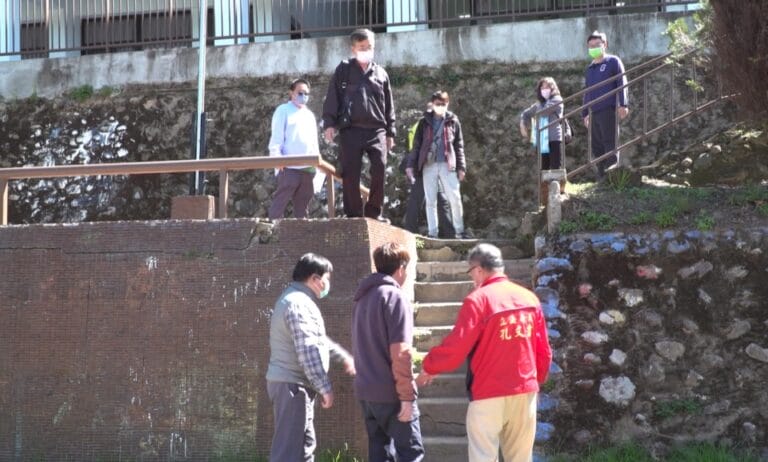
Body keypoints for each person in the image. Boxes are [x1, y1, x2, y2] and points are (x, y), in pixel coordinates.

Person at [416, 244, 552, 462]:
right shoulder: (529, 298)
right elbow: (543, 350)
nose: (472, 278)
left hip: (488, 392)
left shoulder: (478, 300)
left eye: (470, 272)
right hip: (525, 391)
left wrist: (430, 367)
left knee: (483, 456)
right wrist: (537, 383)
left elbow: (457, 346)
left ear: (478, 269)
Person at [266, 253, 356, 462]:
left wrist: (343, 357)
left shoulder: (297, 300)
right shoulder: (298, 304)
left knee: (303, 449)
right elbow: (308, 349)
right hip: (292, 386)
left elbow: (318, 340)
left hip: (294, 385)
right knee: (289, 453)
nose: (327, 284)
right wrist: (324, 387)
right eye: (327, 278)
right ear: (315, 279)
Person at [351, 242, 425, 461]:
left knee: (380, 453)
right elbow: (401, 352)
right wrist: (407, 397)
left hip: (366, 392)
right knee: (411, 454)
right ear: (401, 268)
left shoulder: (362, 298)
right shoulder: (395, 297)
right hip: (391, 393)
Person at [322, 28, 396, 222]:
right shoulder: (344, 70)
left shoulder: (381, 73)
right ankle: (354, 215)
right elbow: (332, 97)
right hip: (351, 129)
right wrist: (329, 124)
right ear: (353, 48)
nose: (366, 50)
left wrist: (390, 132)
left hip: (376, 130)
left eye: (369, 46)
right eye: (362, 47)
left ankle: (374, 212)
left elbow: (389, 105)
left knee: (380, 169)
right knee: (350, 173)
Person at [406, 91, 467, 239]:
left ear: (448, 104)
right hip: (429, 164)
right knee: (430, 201)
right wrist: (410, 165)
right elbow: (417, 146)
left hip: (448, 164)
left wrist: (461, 167)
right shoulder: (424, 122)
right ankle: (432, 232)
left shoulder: (453, 121)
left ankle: (459, 231)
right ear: (432, 104)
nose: (440, 106)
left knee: (455, 198)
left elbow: (459, 145)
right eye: (437, 104)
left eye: (443, 104)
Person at [267, 78, 321, 219]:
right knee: (280, 202)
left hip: (308, 168)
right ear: (291, 93)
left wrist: (317, 165)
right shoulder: (283, 110)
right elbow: (276, 137)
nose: (303, 96)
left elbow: (314, 142)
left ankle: (301, 232)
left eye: (306, 93)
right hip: (288, 166)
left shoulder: (309, 115)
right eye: (300, 93)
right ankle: (271, 229)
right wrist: (277, 159)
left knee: (303, 207)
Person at [399, 102, 454, 238]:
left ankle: (412, 233)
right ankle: (447, 234)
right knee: (436, 200)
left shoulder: (421, 125)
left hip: (425, 166)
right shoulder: (425, 126)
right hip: (425, 167)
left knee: (428, 199)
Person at [582, 30, 629, 178]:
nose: (594, 48)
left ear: (605, 44)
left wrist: (623, 103)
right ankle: (602, 177)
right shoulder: (590, 69)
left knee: (610, 143)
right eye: (591, 46)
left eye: (597, 45)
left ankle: (612, 177)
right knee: (597, 146)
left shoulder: (613, 61)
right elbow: (587, 92)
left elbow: (622, 82)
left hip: (608, 109)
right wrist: (585, 113)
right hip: (594, 112)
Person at [520, 77, 565, 170]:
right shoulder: (541, 104)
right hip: (541, 140)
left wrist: (536, 108)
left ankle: (557, 180)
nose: (544, 90)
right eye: (542, 88)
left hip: (553, 138)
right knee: (543, 169)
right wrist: (522, 124)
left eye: (547, 87)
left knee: (556, 167)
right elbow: (525, 114)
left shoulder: (557, 99)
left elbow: (544, 112)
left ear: (553, 88)